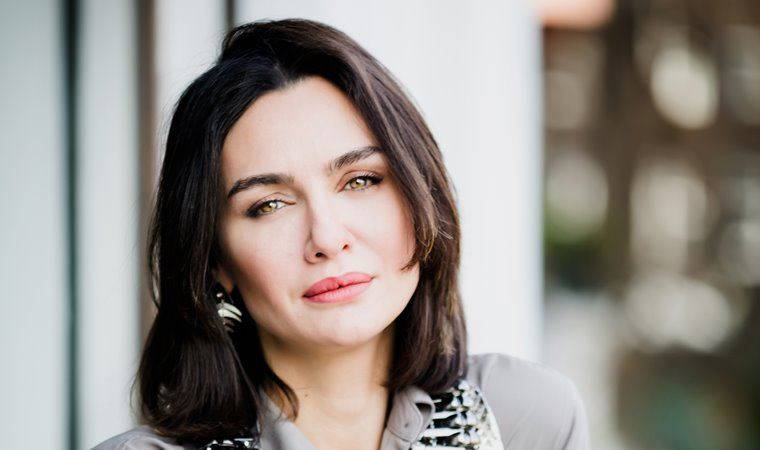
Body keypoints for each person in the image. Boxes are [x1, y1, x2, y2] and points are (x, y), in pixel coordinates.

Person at [94, 18, 588, 450]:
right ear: (214, 259)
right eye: (269, 205)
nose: (327, 239)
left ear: (421, 193)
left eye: (361, 181)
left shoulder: (526, 420)